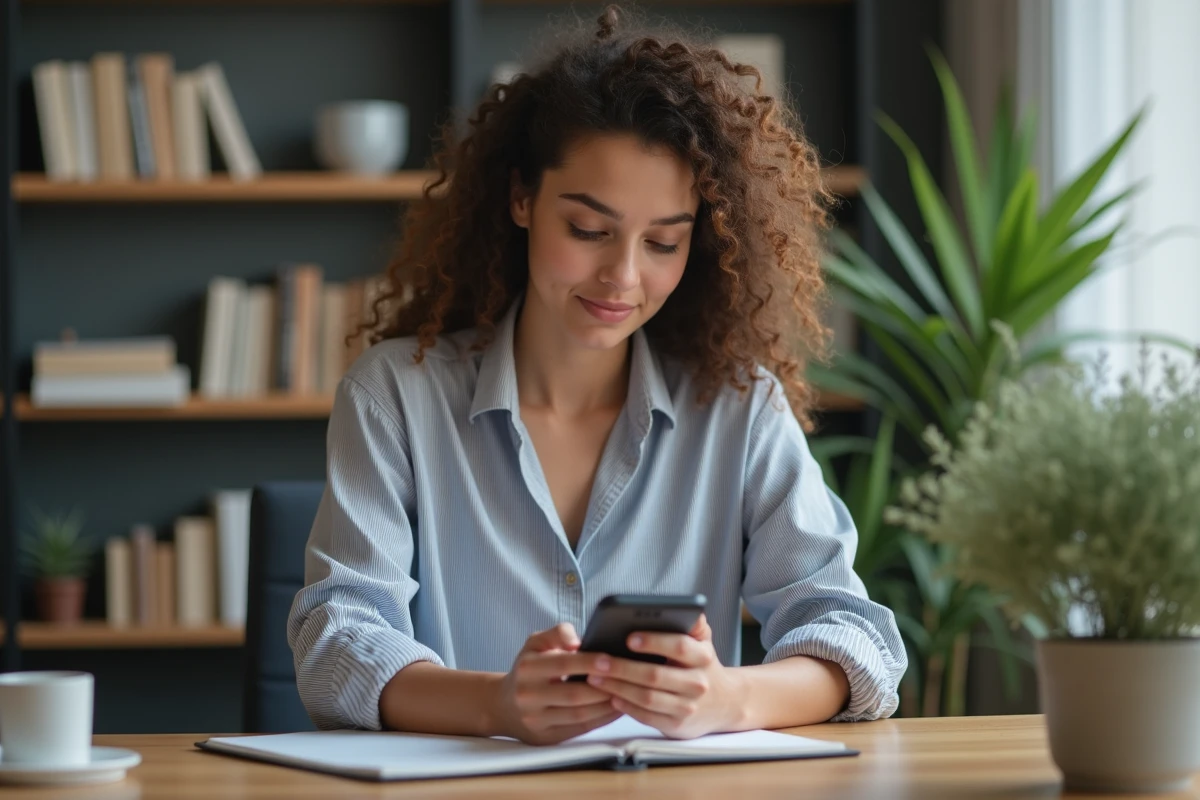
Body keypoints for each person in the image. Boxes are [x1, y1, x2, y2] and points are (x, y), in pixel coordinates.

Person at [287, 5, 906, 745]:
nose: (622, 276)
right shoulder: (396, 395)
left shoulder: (738, 408)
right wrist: (495, 706)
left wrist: (728, 699)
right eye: (588, 231)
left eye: (664, 243)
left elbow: (859, 642)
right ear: (521, 199)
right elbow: (337, 642)